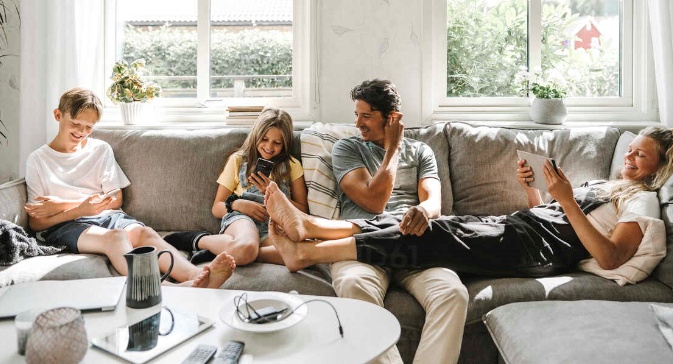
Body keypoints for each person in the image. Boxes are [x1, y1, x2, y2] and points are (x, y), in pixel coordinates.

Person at [265, 127, 673, 282]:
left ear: (659, 168)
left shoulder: (643, 203)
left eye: (640, 155)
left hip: (533, 251)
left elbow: (610, 256)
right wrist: (535, 192)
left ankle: (307, 249)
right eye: (631, 150)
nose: (630, 157)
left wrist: (565, 200)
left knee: (426, 233)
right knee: (418, 221)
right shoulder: (610, 185)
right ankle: (312, 231)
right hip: (521, 226)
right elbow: (558, 215)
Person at [24, 88, 236, 288]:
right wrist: (80, 210)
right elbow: (37, 222)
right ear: (58, 115)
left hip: (107, 216)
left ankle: (196, 277)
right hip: (64, 226)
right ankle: (164, 288)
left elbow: (115, 199)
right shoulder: (38, 160)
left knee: (145, 234)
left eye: (89, 127)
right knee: (117, 237)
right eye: (76, 124)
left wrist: (65, 204)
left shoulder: (100, 149)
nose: (81, 132)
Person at [322, 79, 468, 364]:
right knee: (353, 284)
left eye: (366, 116)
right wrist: (394, 147)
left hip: (410, 241)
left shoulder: (422, 151)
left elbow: (433, 202)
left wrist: (423, 211)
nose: (358, 123)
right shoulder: (347, 149)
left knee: (453, 293)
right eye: (357, 115)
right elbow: (373, 202)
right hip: (364, 245)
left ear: (392, 119)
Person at [165, 107, 307, 265]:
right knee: (246, 248)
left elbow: (302, 210)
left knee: (300, 254)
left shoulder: (292, 165)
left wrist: (275, 196)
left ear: (285, 143)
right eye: (264, 139)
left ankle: (223, 249)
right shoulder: (238, 160)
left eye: (277, 142)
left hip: (273, 225)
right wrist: (238, 204)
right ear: (256, 136)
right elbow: (217, 207)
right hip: (242, 218)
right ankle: (200, 240)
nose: (269, 146)